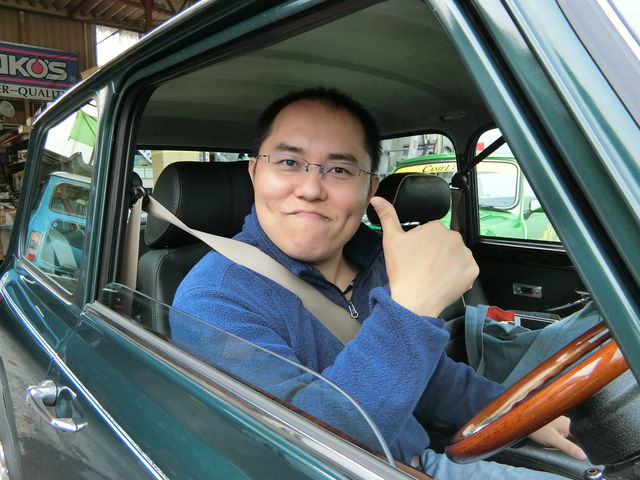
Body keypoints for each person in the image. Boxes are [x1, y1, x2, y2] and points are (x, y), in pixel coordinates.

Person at [172, 87, 586, 479]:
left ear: (370, 186)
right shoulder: (213, 298)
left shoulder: (380, 259)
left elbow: (430, 378)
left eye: (339, 169)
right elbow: (303, 449)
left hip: (416, 461)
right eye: (288, 163)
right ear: (254, 172)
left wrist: (516, 411)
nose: (311, 189)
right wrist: (409, 311)